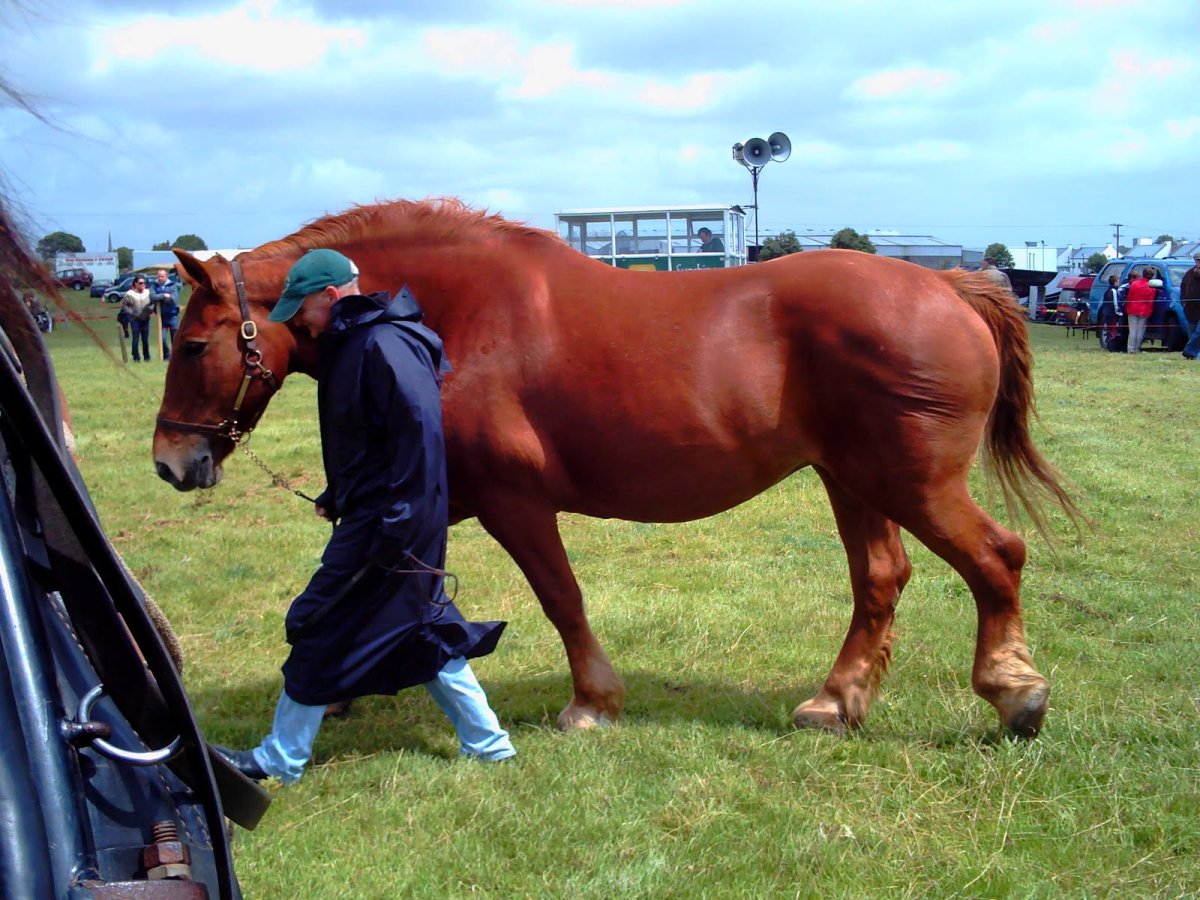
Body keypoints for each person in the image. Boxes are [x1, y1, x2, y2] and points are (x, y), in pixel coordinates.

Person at [215, 248, 515, 785]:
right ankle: (491, 748)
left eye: (303, 309)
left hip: (392, 522)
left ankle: (277, 760)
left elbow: (418, 435)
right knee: (422, 627)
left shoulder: (384, 342)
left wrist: (396, 526)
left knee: (319, 618)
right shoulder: (358, 341)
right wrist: (340, 491)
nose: (300, 323)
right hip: (385, 513)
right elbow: (373, 441)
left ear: (331, 296)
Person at [1124, 267, 1158, 354]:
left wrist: (1127, 307)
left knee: (1133, 331)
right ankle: (1137, 348)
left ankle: (1131, 349)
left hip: (1132, 308)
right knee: (1140, 331)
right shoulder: (1151, 287)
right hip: (1144, 310)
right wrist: (1150, 311)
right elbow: (1151, 301)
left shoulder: (1134, 284)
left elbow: (1129, 297)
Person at [119, 276, 153, 362]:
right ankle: (136, 357)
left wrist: (148, 312)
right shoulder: (129, 294)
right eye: (140, 283)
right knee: (136, 339)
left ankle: (147, 357)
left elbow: (153, 304)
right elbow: (124, 306)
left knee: (145, 339)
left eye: (144, 283)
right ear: (135, 284)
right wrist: (132, 313)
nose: (143, 284)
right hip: (134, 320)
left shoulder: (148, 293)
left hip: (145, 319)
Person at [150, 268, 180, 360]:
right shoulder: (154, 286)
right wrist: (164, 295)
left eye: (162, 276)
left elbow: (174, 299)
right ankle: (167, 356)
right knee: (162, 339)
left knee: (175, 339)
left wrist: (163, 298)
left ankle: (176, 358)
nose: (160, 278)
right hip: (161, 317)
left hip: (172, 316)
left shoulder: (173, 285)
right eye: (158, 276)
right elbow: (152, 297)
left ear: (166, 276)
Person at [1181, 252, 1200, 360]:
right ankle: (1193, 355)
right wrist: (1183, 301)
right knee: (1192, 333)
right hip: (1190, 309)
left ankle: (1188, 351)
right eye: (1197, 260)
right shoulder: (1189, 274)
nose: (1199, 262)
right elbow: (1183, 288)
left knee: (1199, 332)